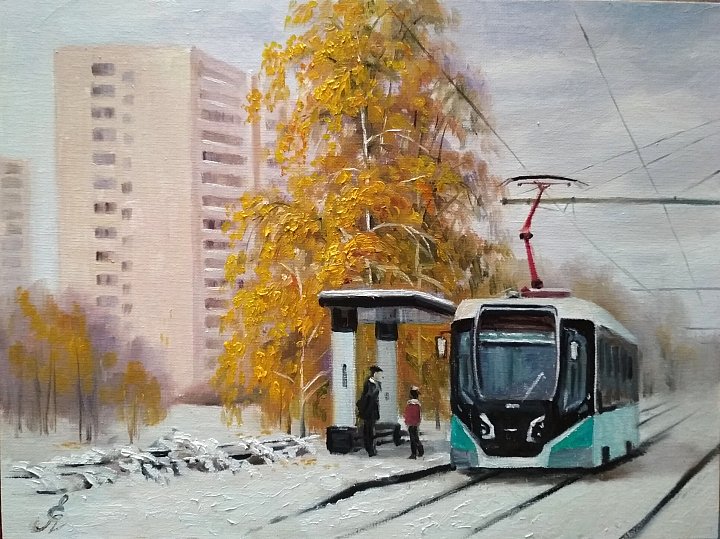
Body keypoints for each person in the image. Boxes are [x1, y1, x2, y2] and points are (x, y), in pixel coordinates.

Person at [357, 365, 383, 457]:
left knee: (371, 430)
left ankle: (372, 448)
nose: (380, 376)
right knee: (368, 431)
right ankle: (370, 449)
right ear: (374, 374)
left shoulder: (377, 383)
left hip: (373, 411)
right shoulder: (369, 383)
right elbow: (368, 397)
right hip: (368, 411)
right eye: (379, 374)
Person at [403, 386, 424, 459]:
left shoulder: (410, 404)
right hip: (415, 423)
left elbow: (407, 414)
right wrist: (418, 422)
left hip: (411, 423)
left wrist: (406, 421)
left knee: (412, 439)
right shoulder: (418, 405)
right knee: (416, 438)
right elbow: (418, 415)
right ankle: (420, 451)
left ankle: (414, 453)